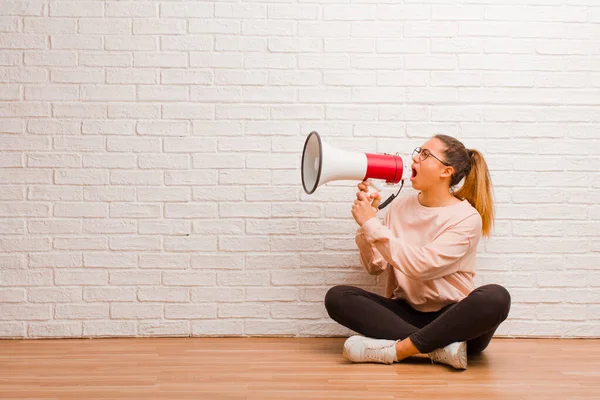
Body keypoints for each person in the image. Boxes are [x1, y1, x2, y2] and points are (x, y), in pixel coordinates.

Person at [324, 134, 511, 370]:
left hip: (455, 321)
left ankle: (399, 350)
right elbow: (376, 266)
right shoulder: (400, 207)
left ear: (446, 171)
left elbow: (422, 266)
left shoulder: (467, 217)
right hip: (405, 314)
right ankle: (440, 350)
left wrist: (373, 225)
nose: (415, 159)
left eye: (425, 155)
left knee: (497, 297)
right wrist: (367, 224)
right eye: (418, 152)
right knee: (338, 297)